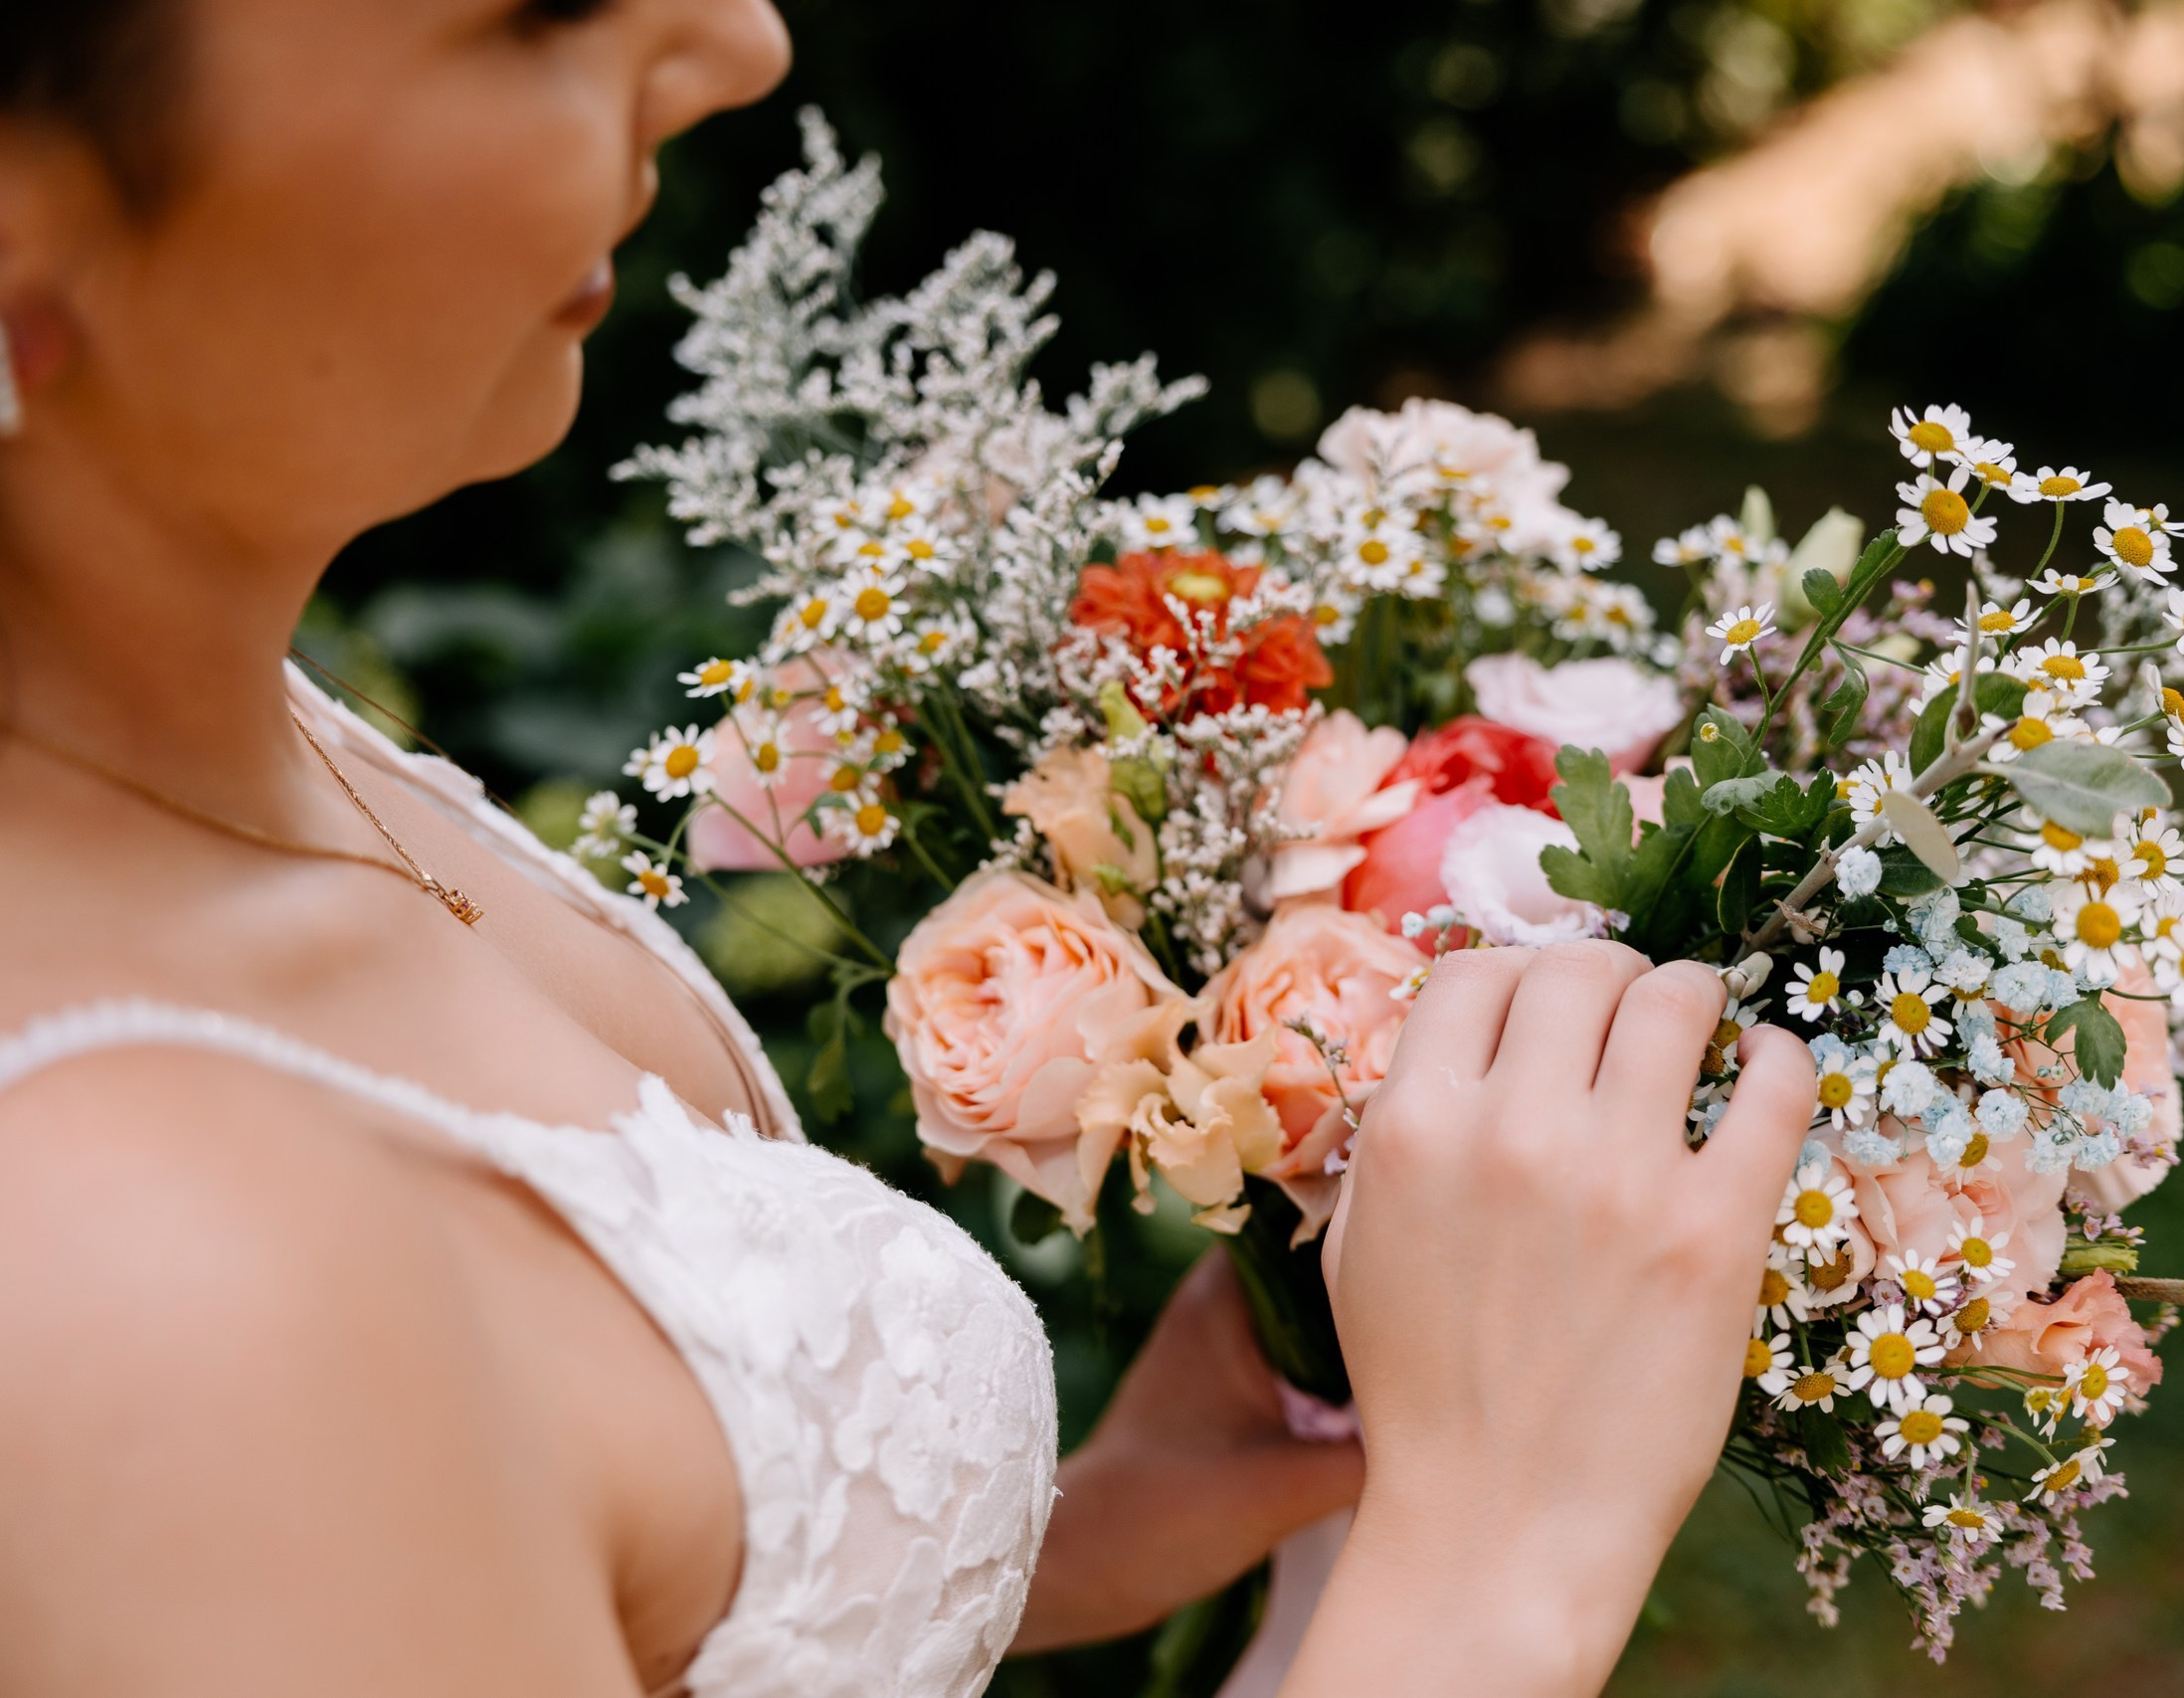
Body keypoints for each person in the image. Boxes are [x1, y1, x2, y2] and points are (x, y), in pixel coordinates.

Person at [0, 3, 1818, 1694]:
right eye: (538, 2)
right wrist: (1505, 1555)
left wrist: (1025, 1537)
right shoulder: (135, 1283)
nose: (734, 39)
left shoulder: (219, 727)